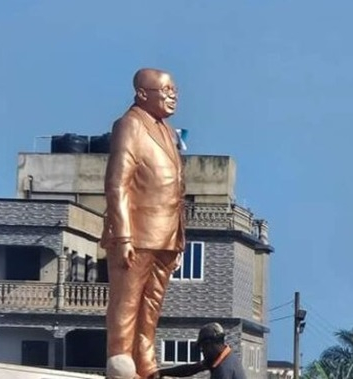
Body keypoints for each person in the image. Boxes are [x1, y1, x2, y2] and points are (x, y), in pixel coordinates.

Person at [101, 68, 186, 379]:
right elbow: (117, 183)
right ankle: (120, 359)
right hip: (136, 233)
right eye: (165, 90)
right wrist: (122, 236)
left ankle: (146, 362)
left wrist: (180, 237)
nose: (173, 95)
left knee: (151, 306)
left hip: (166, 233)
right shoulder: (130, 125)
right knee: (127, 301)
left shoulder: (168, 131)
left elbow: (177, 186)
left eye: (174, 89)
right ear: (141, 94)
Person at [158, 323, 247, 379]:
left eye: (203, 347)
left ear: (210, 344)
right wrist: (161, 373)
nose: (202, 351)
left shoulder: (223, 370)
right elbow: (191, 369)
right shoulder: (224, 357)